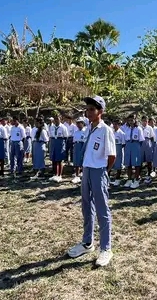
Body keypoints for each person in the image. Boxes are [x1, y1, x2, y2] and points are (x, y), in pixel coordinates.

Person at [67, 96, 116, 267]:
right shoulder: (89, 128)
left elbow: (112, 156)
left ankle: (106, 248)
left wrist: (103, 172)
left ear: (100, 111)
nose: (88, 112)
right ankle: (87, 243)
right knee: (87, 207)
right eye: (87, 109)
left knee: (102, 210)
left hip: (98, 170)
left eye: (92, 109)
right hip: (87, 170)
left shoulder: (105, 130)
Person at [124, 115, 144, 189]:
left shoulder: (138, 129)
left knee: (136, 163)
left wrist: (137, 146)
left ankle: (136, 180)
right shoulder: (127, 129)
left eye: (132, 120)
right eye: (129, 120)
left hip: (136, 145)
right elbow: (125, 138)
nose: (130, 122)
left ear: (135, 120)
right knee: (128, 163)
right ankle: (129, 179)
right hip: (128, 145)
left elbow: (141, 140)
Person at [49, 116, 69, 182]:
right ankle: (55, 174)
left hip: (60, 142)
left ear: (60, 119)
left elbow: (66, 137)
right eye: (55, 119)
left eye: (57, 119)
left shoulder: (63, 127)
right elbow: (50, 135)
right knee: (54, 159)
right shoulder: (52, 127)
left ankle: (59, 175)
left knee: (59, 160)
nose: (56, 120)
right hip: (53, 142)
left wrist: (63, 144)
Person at [110, 121, 126, 186]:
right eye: (113, 124)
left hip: (119, 147)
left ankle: (117, 179)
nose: (114, 126)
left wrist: (119, 149)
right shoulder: (112, 132)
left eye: (116, 124)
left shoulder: (121, 133)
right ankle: (109, 179)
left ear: (119, 125)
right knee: (111, 163)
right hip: (112, 147)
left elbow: (123, 143)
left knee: (118, 164)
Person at [72, 118, 87, 184]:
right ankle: (77, 176)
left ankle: (84, 175)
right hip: (76, 145)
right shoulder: (76, 132)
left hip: (83, 145)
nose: (78, 124)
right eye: (77, 123)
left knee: (83, 160)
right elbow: (74, 140)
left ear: (83, 123)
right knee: (76, 161)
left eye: (79, 123)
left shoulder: (86, 131)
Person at [140, 116, 155, 184]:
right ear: (141, 121)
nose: (145, 122)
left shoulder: (149, 128)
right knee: (140, 160)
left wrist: (150, 145)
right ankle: (139, 175)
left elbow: (152, 137)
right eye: (143, 120)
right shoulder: (139, 127)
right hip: (141, 143)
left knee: (149, 160)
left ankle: (149, 174)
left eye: (146, 121)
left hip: (148, 143)